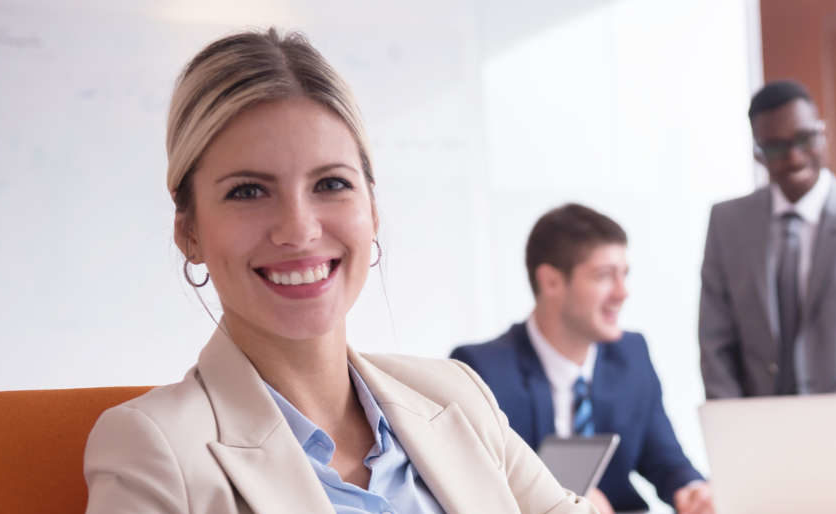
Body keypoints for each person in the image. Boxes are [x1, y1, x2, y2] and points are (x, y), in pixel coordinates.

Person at [82, 29, 594, 514]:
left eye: (330, 184)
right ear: (189, 231)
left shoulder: (455, 394)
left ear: (372, 208)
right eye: (248, 191)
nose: (298, 229)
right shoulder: (153, 449)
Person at [451, 204, 714, 514]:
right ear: (550, 281)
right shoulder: (481, 370)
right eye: (605, 276)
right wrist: (568, 502)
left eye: (624, 275)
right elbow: (475, 490)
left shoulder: (631, 356)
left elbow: (665, 459)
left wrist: (691, 490)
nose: (622, 292)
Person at [698, 79, 836, 399]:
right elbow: (714, 339)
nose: (794, 157)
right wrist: (734, 419)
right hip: (753, 428)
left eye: (804, 139)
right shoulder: (727, 223)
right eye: (775, 147)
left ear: (823, 133)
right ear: (758, 153)